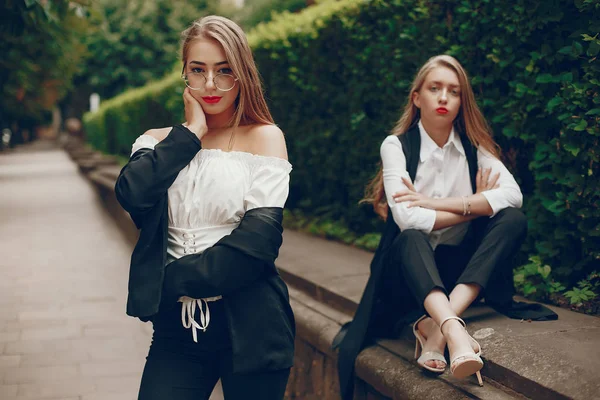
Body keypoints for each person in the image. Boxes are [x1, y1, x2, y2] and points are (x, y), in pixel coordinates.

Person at [334, 55, 556, 399]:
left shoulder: (474, 148)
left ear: (460, 102)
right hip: (405, 276)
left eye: (453, 92)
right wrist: (475, 206)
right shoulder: (396, 146)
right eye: (434, 88)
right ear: (416, 97)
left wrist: (438, 203)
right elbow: (409, 218)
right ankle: (454, 330)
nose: (443, 98)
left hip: (455, 272)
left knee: (512, 219)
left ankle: (438, 330)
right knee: (411, 237)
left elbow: (513, 196)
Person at [114, 15, 294, 400]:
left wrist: (170, 280)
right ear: (184, 74)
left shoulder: (265, 138)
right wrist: (190, 134)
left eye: (224, 71)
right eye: (199, 70)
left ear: (242, 74)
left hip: (254, 328)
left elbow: (258, 243)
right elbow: (133, 194)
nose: (210, 84)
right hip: (176, 335)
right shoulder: (158, 141)